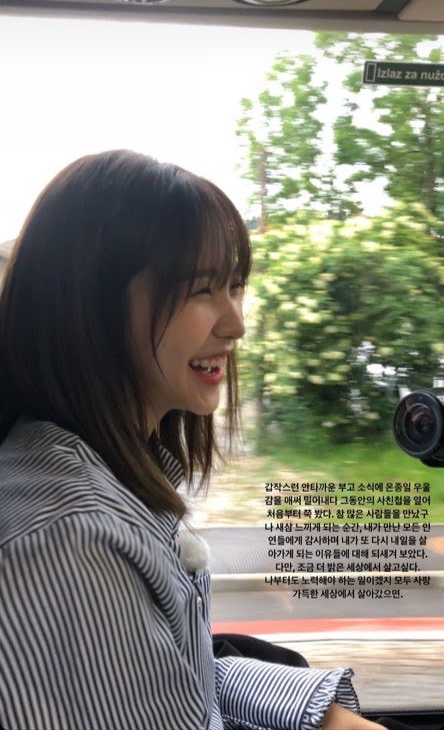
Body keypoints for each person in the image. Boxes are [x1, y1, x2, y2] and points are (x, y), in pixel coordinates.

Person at [0, 150, 404, 730]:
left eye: (234, 286)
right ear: (92, 306)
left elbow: (175, 683)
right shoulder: (72, 539)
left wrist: (323, 717)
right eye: (200, 289)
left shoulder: (113, 479)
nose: (236, 323)